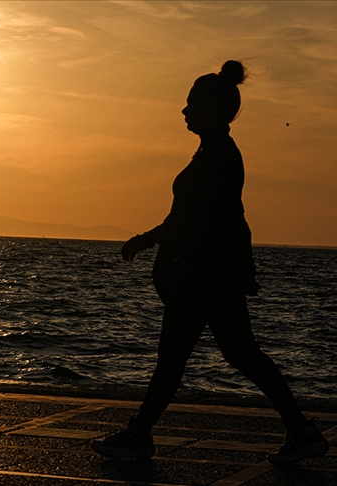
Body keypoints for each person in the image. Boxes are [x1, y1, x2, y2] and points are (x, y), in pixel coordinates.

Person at [91, 61, 330, 465]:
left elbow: (210, 218)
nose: (184, 111)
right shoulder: (213, 151)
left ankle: (139, 434)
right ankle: (300, 428)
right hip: (213, 274)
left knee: (175, 358)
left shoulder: (218, 154)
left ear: (212, 107)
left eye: (191, 103)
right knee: (241, 354)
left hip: (201, 274)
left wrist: (147, 240)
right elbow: (226, 218)